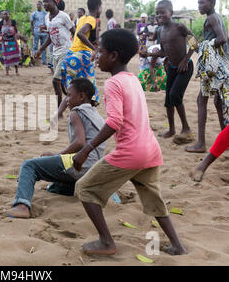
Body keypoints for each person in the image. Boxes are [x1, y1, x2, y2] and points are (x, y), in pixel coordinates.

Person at [72, 28, 187, 256]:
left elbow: (115, 121)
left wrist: (86, 149)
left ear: (113, 56)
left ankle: (106, 242)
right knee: (154, 199)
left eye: (101, 51)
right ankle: (177, 245)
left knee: (84, 188)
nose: (97, 55)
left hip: (131, 153)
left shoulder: (113, 84)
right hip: (150, 151)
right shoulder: (133, 79)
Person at [7, 78, 106, 218]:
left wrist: (57, 155)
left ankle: (22, 206)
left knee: (29, 166)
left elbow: (79, 143)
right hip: (94, 168)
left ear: (82, 96)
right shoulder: (96, 115)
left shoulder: (76, 112)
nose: (67, 100)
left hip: (80, 165)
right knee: (54, 187)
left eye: (69, 95)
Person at [186, 0, 228, 153]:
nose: (199, 6)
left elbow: (222, 38)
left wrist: (203, 46)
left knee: (201, 100)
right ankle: (226, 140)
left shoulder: (212, 18)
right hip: (220, 64)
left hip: (213, 66)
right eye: (198, 3)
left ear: (211, 3)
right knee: (218, 102)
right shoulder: (217, 17)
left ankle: (201, 144)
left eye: (202, 2)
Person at [146, 0, 195, 141]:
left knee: (175, 95)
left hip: (185, 67)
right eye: (157, 13)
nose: (160, 15)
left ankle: (186, 128)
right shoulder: (160, 30)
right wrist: (149, 54)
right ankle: (172, 129)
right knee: (168, 99)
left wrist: (186, 59)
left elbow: (194, 42)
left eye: (163, 12)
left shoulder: (179, 27)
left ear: (171, 13)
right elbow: (163, 51)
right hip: (172, 68)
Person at [35, 0, 75, 109]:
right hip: (55, 52)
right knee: (62, 83)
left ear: (55, 2)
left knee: (55, 81)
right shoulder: (47, 17)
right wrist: (40, 50)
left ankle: (59, 111)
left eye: (47, 2)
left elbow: (74, 31)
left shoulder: (63, 16)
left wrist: (76, 49)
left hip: (66, 51)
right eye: (43, 2)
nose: (44, 4)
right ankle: (70, 100)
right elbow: (50, 36)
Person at [62, 0, 102, 109]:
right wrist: (94, 49)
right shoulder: (92, 19)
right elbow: (80, 34)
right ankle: (90, 116)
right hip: (82, 57)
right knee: (90, 90)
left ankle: (59, 113)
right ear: (98, 7)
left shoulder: (82, 18)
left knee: (73, 90)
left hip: (70, 57)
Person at [0, 10, 20, 75]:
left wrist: (18, 35)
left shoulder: (13, 22)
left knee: (15, 55)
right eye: (4, 14)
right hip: (5, 42)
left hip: (13, 41)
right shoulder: (1, 22)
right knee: (6, 56)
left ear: (9, 14)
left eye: (6, 14)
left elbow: (16, 30)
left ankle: (16, 71)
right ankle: (7, 72)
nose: (5, 15)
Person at [31, 1, 48, 65]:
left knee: (43, 46)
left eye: (40, 5)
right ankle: (35, 60)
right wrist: (32, 31)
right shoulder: (33, 14)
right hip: (36, 32)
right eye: (37, 5)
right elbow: (31, 23)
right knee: (35, 46)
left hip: (44, 32)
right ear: (36, 6)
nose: (39, 6)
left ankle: (44, 61)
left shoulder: (45, 14)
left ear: (42, 6)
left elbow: (47, 22)